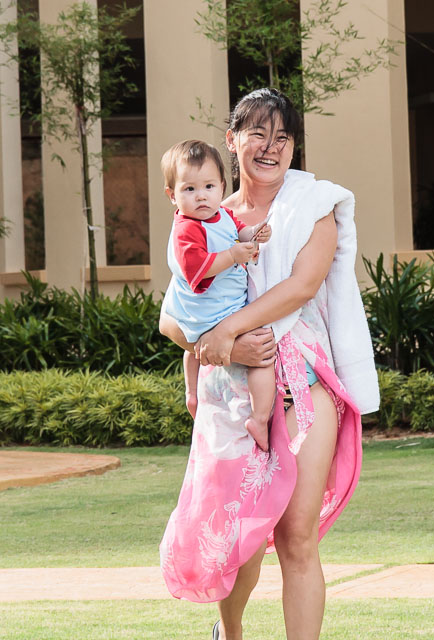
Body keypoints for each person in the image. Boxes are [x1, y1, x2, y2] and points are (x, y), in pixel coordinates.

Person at [159, 88, 379, 640]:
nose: (271, 147)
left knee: (296, 538)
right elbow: (170, 319)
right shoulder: (208, 217)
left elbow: (301, 287)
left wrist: (228, 327)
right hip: (231, 393)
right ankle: (229, 633)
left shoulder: (313, 206)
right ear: (232, 141)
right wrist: (227, 345)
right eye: (257, 133)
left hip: (305, 383)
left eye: (282, 137)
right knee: (242, 539)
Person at [160, 139, 274, 451]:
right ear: (172, 195)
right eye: (189, 189)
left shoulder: (222, 215)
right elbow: (197, 268)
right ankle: (259, 419)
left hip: (205, 315)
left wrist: (255, 234)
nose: (201, 196)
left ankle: (192, 394)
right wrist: (233, 255)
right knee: (261, 358)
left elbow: (240, 232)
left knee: (192, 348)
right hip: (211, 312)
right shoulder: (187, 229)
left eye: (209, 186)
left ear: (222, 187)